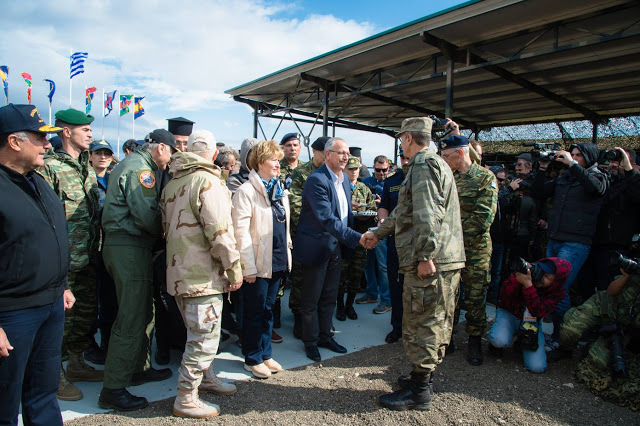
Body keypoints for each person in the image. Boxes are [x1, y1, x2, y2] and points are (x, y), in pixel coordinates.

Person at [364, 117, 465, 411]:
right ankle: (420, 379)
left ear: (408, 137)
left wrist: (425, 256)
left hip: (432, 261)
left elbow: (426, 214)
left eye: (400, 138)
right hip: (440, 259)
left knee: (425, 322)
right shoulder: (428, 163)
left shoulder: (422, 165)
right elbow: (404, 212)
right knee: (427, 319)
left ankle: (419, 393)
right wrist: (376, 233)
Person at [0, 104, 73, 426]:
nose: (48, 145)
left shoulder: (37, 181)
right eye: (40, 138)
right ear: (15, 142)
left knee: (43, 392)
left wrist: (62, 284)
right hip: (12, 313)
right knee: (3, 402)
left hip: (50, 302)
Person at [161, 129, 241, 418]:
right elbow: (219, 232)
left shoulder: (173, 182)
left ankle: (206, 379)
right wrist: (233, 269)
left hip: (180, 273)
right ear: (212, 154)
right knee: (204, 338)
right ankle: (185, 396)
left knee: (198, 333)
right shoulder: (208, 181)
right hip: (202, 277)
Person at [98, 129, 176, 411]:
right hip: (128, 246)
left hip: (131, 247)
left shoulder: (136, 164)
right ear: (161, 149)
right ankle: (113, 387)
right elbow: (145, 215)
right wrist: (170, 232)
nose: (170, 159)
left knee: (144, 312)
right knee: (131, 317)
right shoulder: (142, 170)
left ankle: (137, 369)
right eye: (171, 152)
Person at [39, 108, 102, 400]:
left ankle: (76, 364)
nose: (90, 134)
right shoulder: (49, 167)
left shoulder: (85, 166)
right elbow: (44, 218)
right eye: (84, 129)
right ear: (66, 132)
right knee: (60, 325)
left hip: (88, 258)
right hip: (63, 263)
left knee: (84, 318)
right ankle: (55, 377)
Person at [294, 137, 368, 362]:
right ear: (327, 155)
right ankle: (310, 341)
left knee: (329, 297)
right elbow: (327, 219)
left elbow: (345, 215)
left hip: (335, 247)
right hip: (317, 247)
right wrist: (358, 239)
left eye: (347, 153)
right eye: (341, 153)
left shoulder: (344, 179)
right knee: (310, 300)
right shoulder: (316, 180)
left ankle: (326, 336)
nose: (346, 156)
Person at [531, 142, 608, 348]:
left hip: (576, 242)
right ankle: (557, 336)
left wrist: (572, 164)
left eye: (577, 155)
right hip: (555, 239)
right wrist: (543, 167)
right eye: (571, 154)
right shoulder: (565, 177)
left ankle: (562, 339)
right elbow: (539, 192)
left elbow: (595, 189)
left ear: (588, 158)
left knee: (559, 288)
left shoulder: (597, 176)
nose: (571, 157)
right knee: (549, 286)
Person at [232, 140, 292, 378]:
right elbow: (241, 233)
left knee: (269, 310)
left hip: (276, 259)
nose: (279, 163)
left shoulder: (278, 190)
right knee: (254, 312)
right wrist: (247, 267)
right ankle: (252, 357)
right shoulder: (246, 192)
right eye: (273, 159)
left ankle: (265, 354)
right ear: (259, 163)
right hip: (257, 263)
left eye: (279, 159)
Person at [440, 132, 497, 366]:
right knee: (450, 295)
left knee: (474, 296)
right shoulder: (449, 178)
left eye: (446, 156)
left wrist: (450, 231)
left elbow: (484, 218)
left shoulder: (485, 178)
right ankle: (448, 337)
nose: (444, 160)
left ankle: (474, 340)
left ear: (460, 153)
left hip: (476, 250)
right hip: (451, 250)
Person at [557, 257, 640, 410]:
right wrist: (626, 277)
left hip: (621, 327)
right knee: (569, 331)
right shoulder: (634, 271)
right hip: (603, 306)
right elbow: (610, 292)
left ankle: (590, 347)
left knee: (599, 361)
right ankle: (565, 349)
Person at [487, 257, 570, 373]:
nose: (542, 277)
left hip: (531, 322)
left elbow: (539, 311)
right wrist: (518, 280)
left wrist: (528, 286)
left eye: (548, 277)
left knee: (537, 367)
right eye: (543, 272)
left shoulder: (556, 293)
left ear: (556, 282)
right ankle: (497, 343)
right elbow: (504, 297)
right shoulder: (526, 273)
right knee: (498, 340)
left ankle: (521, 342)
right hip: (509, 314)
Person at [288, 136, 329, 339]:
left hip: (325, 237)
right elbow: (294, 204)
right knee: (300, 277)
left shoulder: (331, 173)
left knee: (320, 281)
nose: (328, 156)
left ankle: (317, 321)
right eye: (325, 152)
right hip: (303, 235)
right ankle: (298, 317)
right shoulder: (301, 173)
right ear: (315, 152)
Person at [85, 140, 118, 366]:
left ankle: (107, 343)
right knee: (87, 303)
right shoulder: (84, 180)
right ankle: (87, 346)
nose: (103, 157)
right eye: (98, 153)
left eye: (107, 153)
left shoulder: (113, 179)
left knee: (109, 300)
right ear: (90, 156)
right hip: (88, 249)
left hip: (109, 247)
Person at [337, 156, 376, 321]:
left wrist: (366, 215)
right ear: (345, 170)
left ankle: (349, 306)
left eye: (356, 169)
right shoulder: (339, 187)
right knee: (341, 276)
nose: (353, 172)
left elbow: (372, 208)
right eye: (350, 169)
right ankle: (339, 307)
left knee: (356, 274)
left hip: (360, 238)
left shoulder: (364, 188)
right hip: (343, 240)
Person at [378, 147, 409, 343]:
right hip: (395, 241)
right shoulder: (392, 181)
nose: (406, 161)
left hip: (416, 243)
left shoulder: (424, 177)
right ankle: (397, 327)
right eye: (403, 157)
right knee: (396, 285)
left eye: (408, 157)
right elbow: (385, 206)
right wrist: (383, 220)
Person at [358, 155, 392, 314]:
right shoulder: (366, 183)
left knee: (383, 267)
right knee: (367, 264)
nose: (381, 173)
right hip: (367, 227)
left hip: (383, 230)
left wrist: (381, 205)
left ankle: (386, 300)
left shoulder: (391, 184)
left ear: (389, 168)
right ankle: (371, 293)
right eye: (377, 170)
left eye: (384, 170)